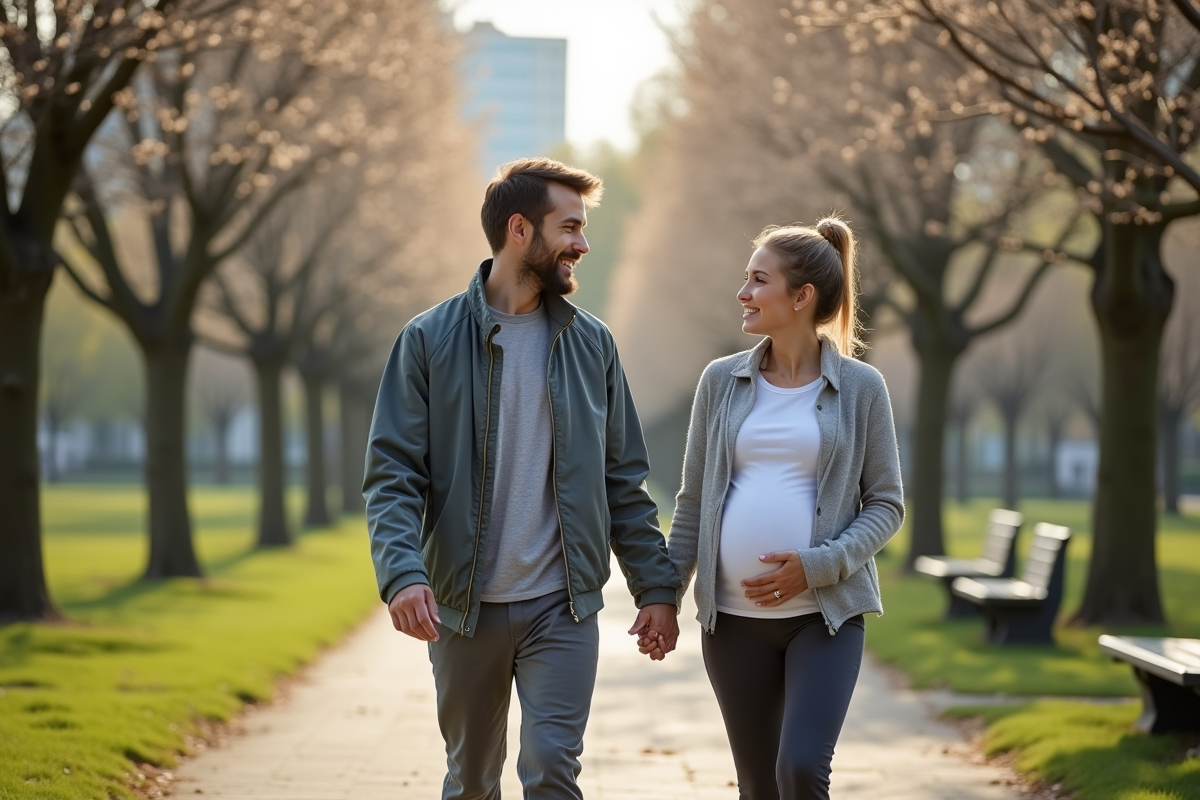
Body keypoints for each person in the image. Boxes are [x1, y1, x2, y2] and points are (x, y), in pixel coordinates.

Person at [363, 157, 681, 800]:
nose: (582, 245)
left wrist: (655, 586)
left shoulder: (593, 345)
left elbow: (623, 480)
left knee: (553, 770)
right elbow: (393, 475)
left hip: (562, 606)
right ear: (519, 229)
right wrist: (402, 574)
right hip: (464, 608)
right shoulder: (427, 340)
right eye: (570, 228)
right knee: (472, 781)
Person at [643, 218, 904, 800]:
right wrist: (665, 595)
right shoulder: (721, 381)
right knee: (759, 786)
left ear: (802, 296)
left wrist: (816, 566)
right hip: (733, 624)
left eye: (759, 280)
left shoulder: (862, 388)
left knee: (802, 769)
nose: (743, 293)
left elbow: (886, 504)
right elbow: (693, 503)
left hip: (824, 618)